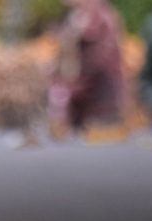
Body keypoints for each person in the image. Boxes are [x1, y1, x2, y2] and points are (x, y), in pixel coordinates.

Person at [49, 0, 127, 131]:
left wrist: (68, 90)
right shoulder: (76, 17)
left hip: (100, 109)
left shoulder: (101, 21)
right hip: (83, 110)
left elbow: (96, 66)